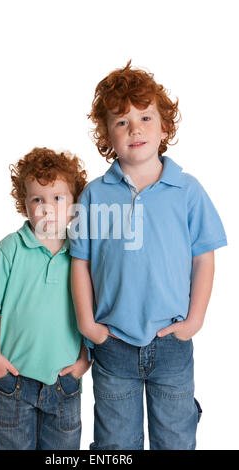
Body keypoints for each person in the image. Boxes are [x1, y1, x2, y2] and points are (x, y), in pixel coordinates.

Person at [69, 61, 227, 450]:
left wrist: (195, 320)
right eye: (121, 122)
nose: (135, 129)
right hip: (113, 343)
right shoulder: (94, 194)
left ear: (165, 126)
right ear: (107, 134)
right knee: (114, 446)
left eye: (145, 117)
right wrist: (88, 326)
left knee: (175, 440)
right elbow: (80, 263)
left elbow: (203, 258)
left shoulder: (186, 190)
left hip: (172, 341)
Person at [0, 147, 91, 450]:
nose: (47, 208)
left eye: (58, 198)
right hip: (14, 382)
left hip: (64, 385)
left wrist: (82, 363)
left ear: (74, 203)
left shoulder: (81, 255)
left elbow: (92, 311)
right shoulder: (8, 250)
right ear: (23, 203)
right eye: (37, 199)